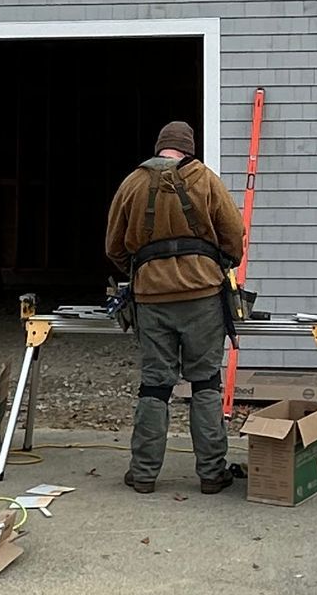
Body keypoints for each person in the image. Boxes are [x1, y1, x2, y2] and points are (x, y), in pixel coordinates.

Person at [105, 119, 248, 495]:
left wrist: (144, 273)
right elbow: (234, 233)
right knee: (205, 383)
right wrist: (218, 265)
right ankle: (213, 474)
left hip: (151, 301)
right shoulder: (205, 179)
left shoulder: (132, 183)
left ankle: (144, 474)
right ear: (189, 148)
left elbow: (114, 246)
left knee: (154, 386)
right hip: (202, 298)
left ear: (159, 148)